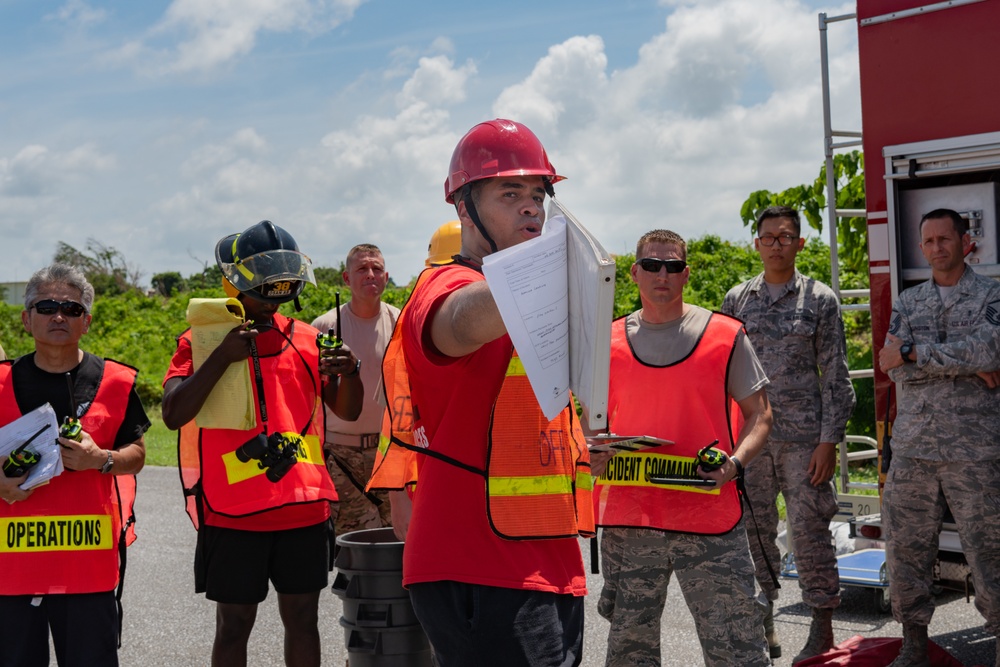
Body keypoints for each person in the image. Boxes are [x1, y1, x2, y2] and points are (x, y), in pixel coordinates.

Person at [377, 119, 594, 666]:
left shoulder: (541, 297)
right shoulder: (445, 288)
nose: (532, 207)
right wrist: (548, 267)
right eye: (510, 192)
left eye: (540, 193)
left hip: (544, 558)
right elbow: (464, 321)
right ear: (463, 206)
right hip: (479, 561)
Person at [161, 220, 363, 667]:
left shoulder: (308, 338)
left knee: (303, 620)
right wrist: (220, 358)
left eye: (281, 278)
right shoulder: (201, 341)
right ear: (234, 281)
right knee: (233, 625)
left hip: (302, 507)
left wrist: (350, 371)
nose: (274, 288)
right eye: (264, 278)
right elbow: (174, 414)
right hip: (234, 512)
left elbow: (346, 410)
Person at [593, 229, 772, 667]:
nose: (662, 274)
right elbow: (589, 426)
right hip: (632, 519)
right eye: (652, 265)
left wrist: (733, 464)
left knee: (738, 648)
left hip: (709, 516)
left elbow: (761, 415)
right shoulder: (606, 343)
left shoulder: (724, 336)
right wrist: (591, 453)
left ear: (686, 274)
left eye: (672, 266)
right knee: (629, 653)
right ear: (634, 272)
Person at [721, 205, 856, 661]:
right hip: (751, 441)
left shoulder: (820, 300)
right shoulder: (737, 300)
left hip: (805, 444)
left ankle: (822, 626)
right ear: (755, 244)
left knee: (811, 533)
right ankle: (764, 623)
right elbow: (721, 374)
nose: (776, 245)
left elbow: (836, 375)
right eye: (768, 237)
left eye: (785, 237)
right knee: (753, 533)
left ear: (800, 244)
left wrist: (829, 442)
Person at [0, 263, 149, 667]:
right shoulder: (0, 381)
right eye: (46, 306)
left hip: (88, 568)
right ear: (26, 319)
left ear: (87, 321)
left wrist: (100, 460)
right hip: (11, 570)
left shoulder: (115, 381)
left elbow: (136, 453)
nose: (58, 316)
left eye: (72, 308)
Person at [878, 208, 1000, 667]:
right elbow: (891, 363)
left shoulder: (991, 295)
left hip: (976, 450)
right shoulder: (909, 302)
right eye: (927, 241)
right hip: (913, 449)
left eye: (944, 239)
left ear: (965, 241)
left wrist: (917, 352)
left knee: (991, 552)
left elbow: (991, 347)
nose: (935, 249)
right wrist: (969, 367)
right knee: (906, 549)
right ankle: (914, 647)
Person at [311, 243, 399, 536]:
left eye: (376, 269)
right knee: (350, 544)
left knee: (395, 539)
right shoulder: (324, 327)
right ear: (347, 279)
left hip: (389, 451)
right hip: (340, 454)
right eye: (362, 269)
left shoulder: (400, 322)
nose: (370, 274)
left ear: (386, 277)